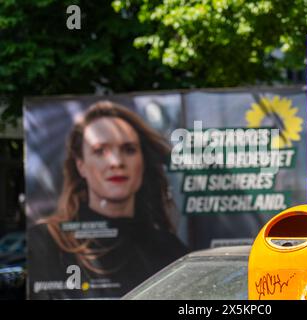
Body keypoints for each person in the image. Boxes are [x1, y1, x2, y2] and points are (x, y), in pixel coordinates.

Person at [28, 100, 189, 299]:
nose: (116, 162)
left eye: (129, 149)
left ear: (143, 162)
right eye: (100, 151)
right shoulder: (46, 241)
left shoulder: (169, 248)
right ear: (81, 166)